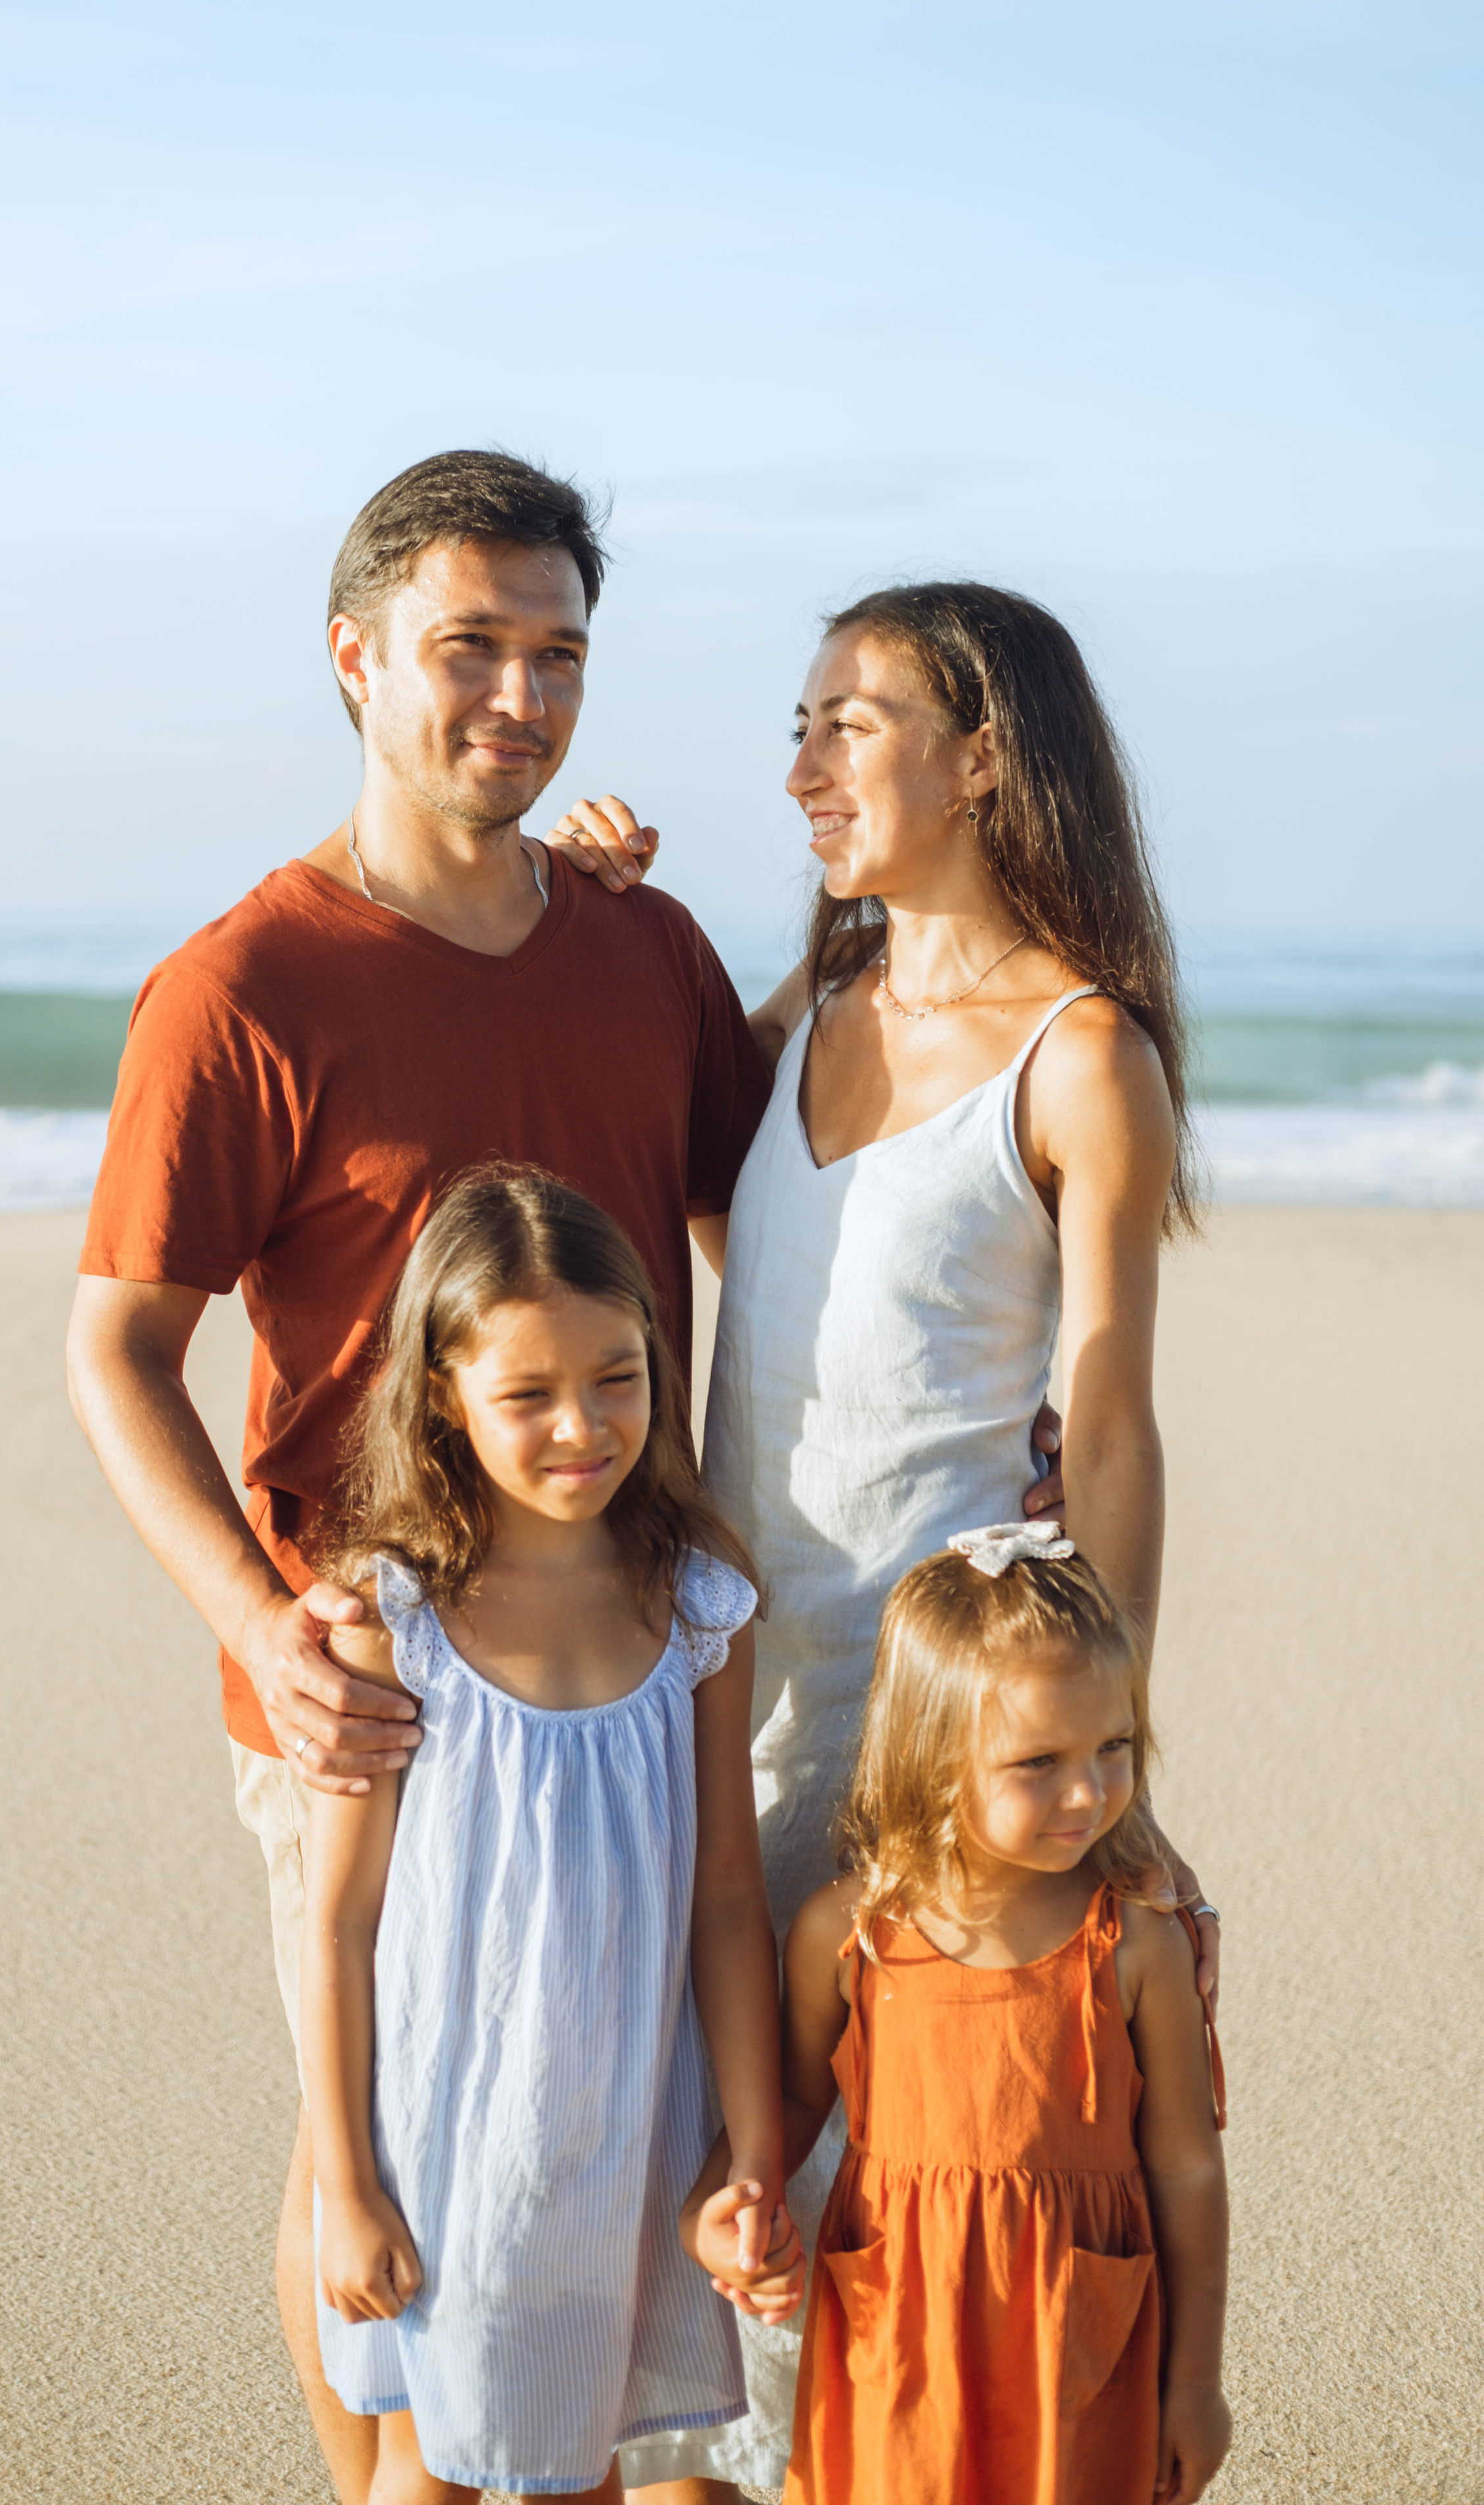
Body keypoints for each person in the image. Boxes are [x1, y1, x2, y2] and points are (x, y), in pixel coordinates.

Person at [63, 450, 787, 2504]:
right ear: (355, 658)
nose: (523, 698)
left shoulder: (639, 948)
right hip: (368, 1688)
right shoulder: (243, 990)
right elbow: (117, 1353)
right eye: (470, 647)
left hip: (638, 1658)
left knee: (608, 2112)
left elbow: (775, 1213)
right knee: (371, 2135)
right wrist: (260, 1629)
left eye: (559, 654)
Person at [550, 580, 1219, 2499]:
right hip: (709, 1667)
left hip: (916, 1713)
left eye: (851, 722)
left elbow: (1109, 1414)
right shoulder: (809, 1009)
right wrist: (604, 911)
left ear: (987, 756)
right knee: (700, 2171)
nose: (802, 767)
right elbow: (753, 1250)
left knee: (854, 2206)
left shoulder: (1084, 1058)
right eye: (803, 720)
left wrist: (1116, 1748)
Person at [298, 1166, 798, 2502]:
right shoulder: (392, 1619)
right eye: (526, 1394)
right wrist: (342, 2186)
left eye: (617, 1376)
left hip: (625, 2127)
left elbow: (728, 1906)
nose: (581, 1426)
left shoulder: (699, 1608)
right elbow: (338, 1926)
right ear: (444, 1395)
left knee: (578, 2464)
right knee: (429, 2468)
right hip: (445, 2132)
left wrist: (750, 2152)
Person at [774, 1528, 1230, 2505]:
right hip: (900, 2348)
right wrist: (734, 2196)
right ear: (932, 1759)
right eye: (1039, 1761)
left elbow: (1187, 2165)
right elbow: (786, 2111)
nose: (1090, 1791)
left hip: (1080, 2352)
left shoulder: (1136, 1946)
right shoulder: (849, 1936)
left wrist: (1194, 2382)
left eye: (1115, 1747)